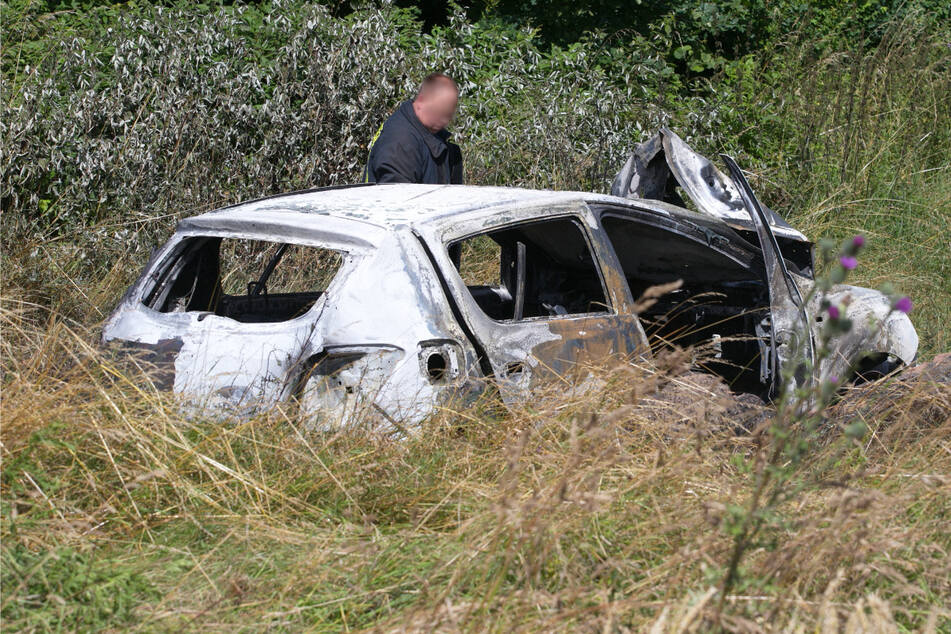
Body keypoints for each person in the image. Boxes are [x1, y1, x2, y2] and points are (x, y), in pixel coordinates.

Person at [364, 73, 463, 184]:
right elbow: (395, 197)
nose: (446, 119)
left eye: (449, 112)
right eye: (440, 110)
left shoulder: (432, 134)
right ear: (421, 101)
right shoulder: (400, 141)